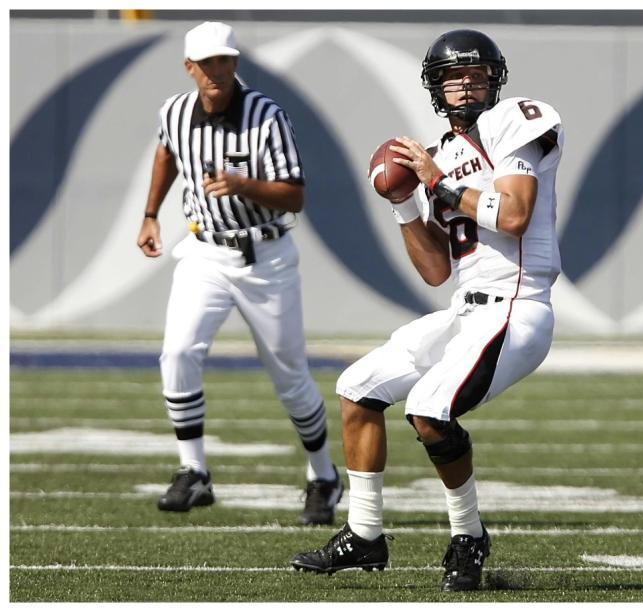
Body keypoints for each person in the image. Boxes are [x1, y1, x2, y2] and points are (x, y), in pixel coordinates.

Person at [291, 29, 563, 591]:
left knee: (429, 408)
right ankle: (365, 535)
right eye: (453, 76)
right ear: (436, 87)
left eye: (476, 73)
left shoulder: (515, 119)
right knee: (358, 386)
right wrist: (404, 203)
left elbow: (512, 216)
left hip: (517, 306)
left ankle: (468, 536)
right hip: (466, 309)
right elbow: (436, 270)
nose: (466, 84)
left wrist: (437, 184)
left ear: (496, 78)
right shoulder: (439, 154)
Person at [136, 21, 342, 524]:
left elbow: (294, 194)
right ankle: (194, 472)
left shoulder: (266, 115)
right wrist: (149, 213)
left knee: (289, 376)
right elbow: (167, 149)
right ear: (190, 67)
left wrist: (243, 185)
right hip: (204, 250)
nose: (218, 72)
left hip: (265, 255)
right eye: (207, 64)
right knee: (179, 351)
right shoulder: (175, 111)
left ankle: (323, 476)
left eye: (225, 61)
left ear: (235, 63)